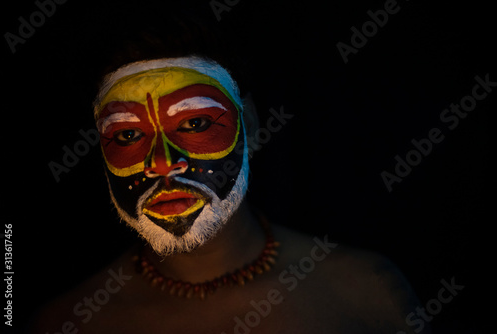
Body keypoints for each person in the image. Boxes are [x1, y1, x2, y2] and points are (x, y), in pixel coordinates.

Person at [30, 6, 429, 334]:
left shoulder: (370, 293)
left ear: (250, 126)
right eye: (127, 134)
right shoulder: (66, 322)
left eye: (195, 123)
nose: (163, 163)